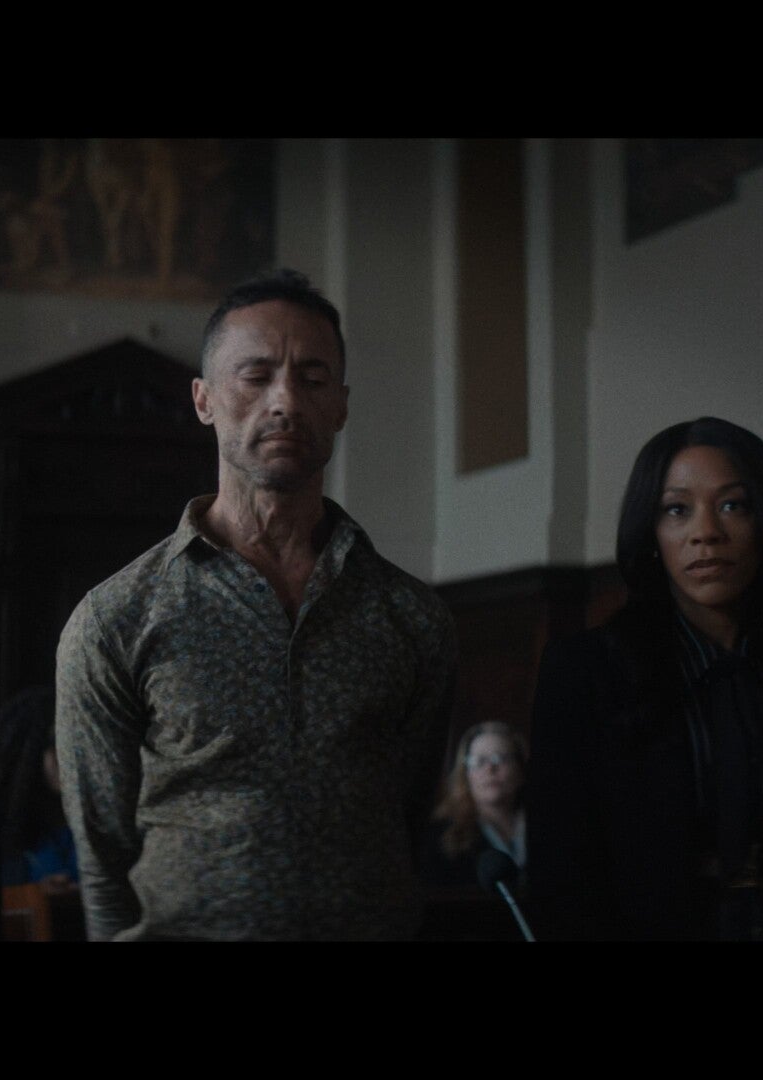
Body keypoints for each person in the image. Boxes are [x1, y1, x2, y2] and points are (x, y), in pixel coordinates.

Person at [56, 269, 458, 940]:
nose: (286, 401)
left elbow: (408, 813)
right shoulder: (117, 617)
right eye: (257, 375)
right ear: (204, 399)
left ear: (342, 406)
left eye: (313, 378)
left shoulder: (410, 616)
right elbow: (101, 851)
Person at [526, 417, 763, 940]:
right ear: (650, 532)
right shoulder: (586, 671)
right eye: (677, 510)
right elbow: (561, 875)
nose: (705, 532)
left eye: (733, 505)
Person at [0, 686, 77, 890]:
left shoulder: (99, 822)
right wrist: (33, 894)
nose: (72, 759)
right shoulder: (6, 836)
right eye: (60, 746)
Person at [421, 720, 528, 888]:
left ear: (520, 768)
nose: (489, 769)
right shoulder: (442, 835)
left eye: (500, 758)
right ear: (465, 773)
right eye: (478, 761)